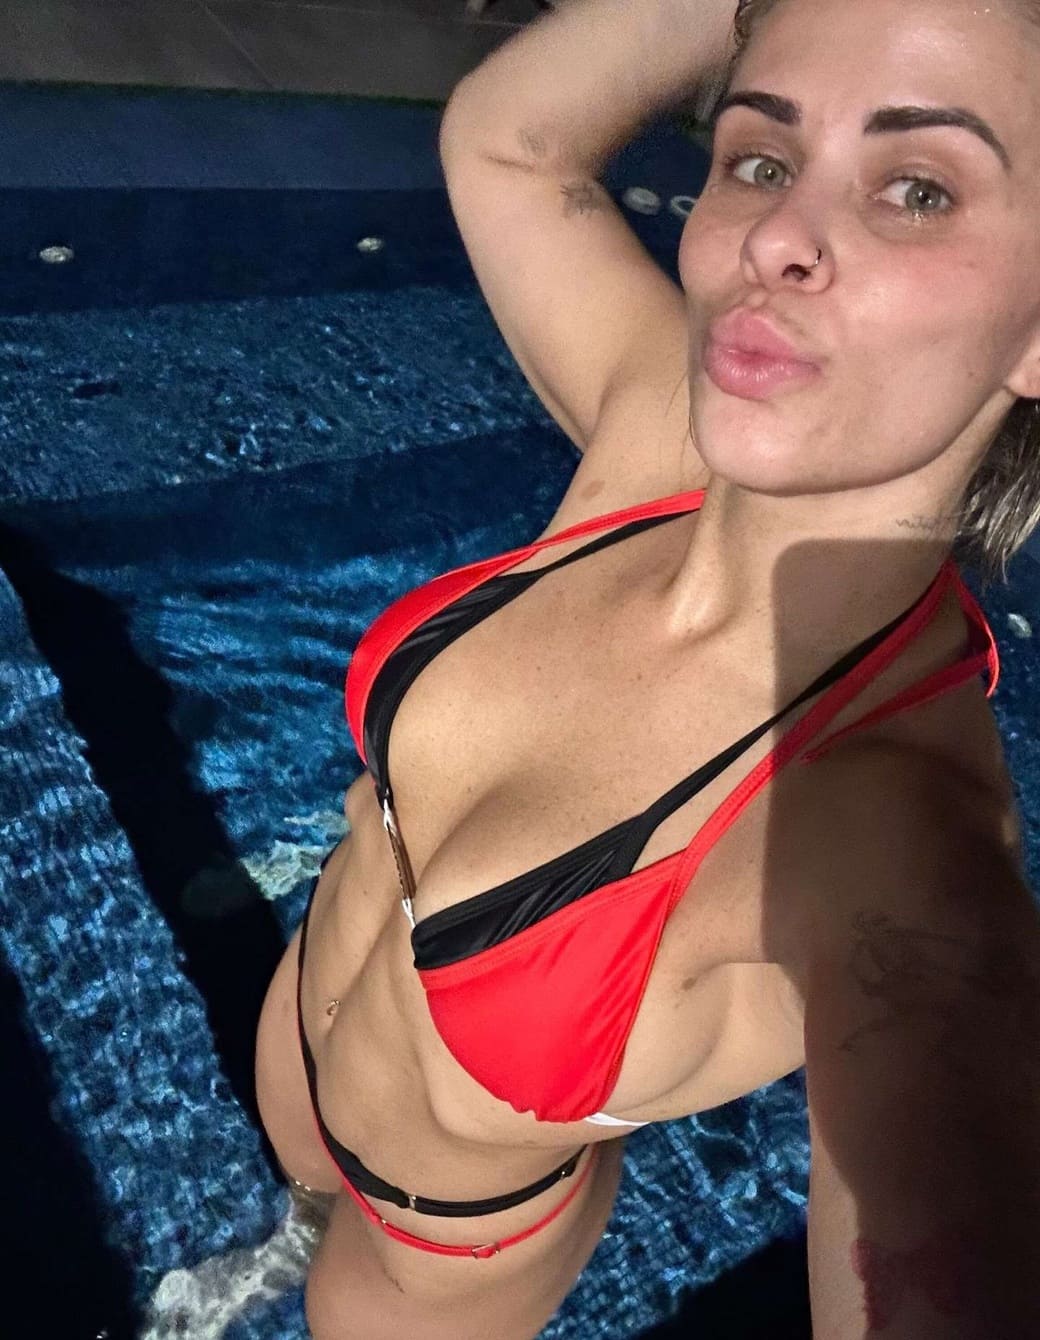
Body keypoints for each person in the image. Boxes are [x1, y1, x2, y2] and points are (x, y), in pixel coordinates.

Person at [255, 0, 1040, 1335]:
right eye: (761, 157)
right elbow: (511, 143)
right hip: (300, 1037)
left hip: (435, 1245)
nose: (778, 237)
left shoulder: (883, 831)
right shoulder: (655, 429)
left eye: (918, 189)